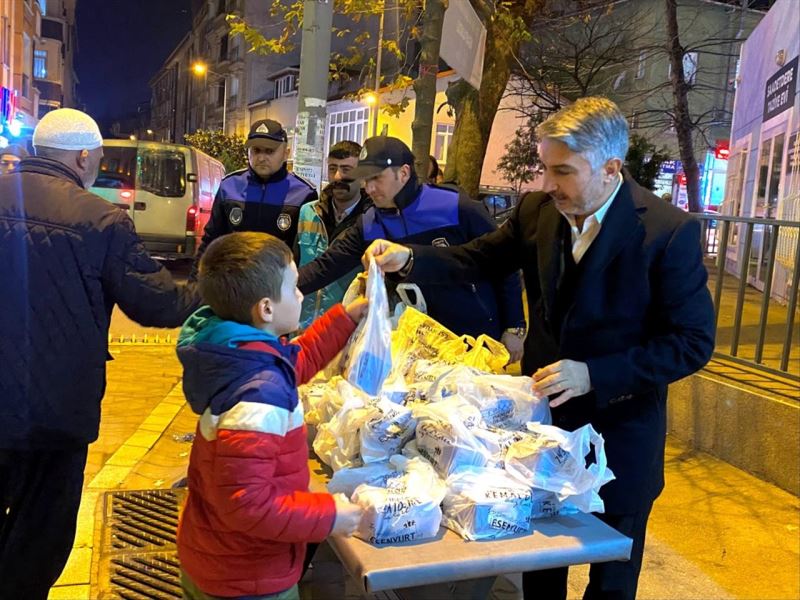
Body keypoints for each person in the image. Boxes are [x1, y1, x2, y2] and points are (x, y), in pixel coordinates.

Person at [364, 97, 715, 600]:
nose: (549, 185)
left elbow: (692, 343)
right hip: (540, 430)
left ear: (611, 168)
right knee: (539, 560)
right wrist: (409, 260)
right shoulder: (538, 211)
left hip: (619, 436)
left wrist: (594, 373)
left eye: (563, 172)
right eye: (545, 169)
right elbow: (478, 260)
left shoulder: (667, 231)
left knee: (612, 575)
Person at [0, 108, 200, 599]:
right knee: (41, 529)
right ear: (84, 156)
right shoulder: (100, 219)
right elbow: (158, 303)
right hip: (56, 407)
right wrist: (216, 285)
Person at [176, 231, 365, 599]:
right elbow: (248, 504)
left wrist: (346, 317)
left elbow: (295, 362)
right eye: (294, 287)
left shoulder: (243, 351)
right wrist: (330, 516)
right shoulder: (259, 395)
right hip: (246, 575)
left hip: (219, 555)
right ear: (265, 308)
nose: (300, 294)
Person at [299, 136, 527, 362]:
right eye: (365, 180)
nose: (369, 188)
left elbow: (502, 262)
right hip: (417, 344)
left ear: (404, 173)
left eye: (376, 178)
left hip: (475, 336)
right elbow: (325, 267)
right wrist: (275, 288)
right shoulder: (369, 223)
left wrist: (514, 325)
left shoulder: (455, 207)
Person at [190, 118, 317, 279]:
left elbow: (306, 252)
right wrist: (195, 283)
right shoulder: (229, 186)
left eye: (269, 151)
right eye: (256, 150)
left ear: (286, 153)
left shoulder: (304, 193)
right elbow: (211, 240)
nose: (261, 157)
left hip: (277, 288)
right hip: (233, 285)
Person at [296, 140, 372, 328]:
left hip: (343, 329)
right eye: (332, 169)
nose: (337, 176)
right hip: (301, 327)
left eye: (346, 169)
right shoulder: (307, 212)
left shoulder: (371, 221)